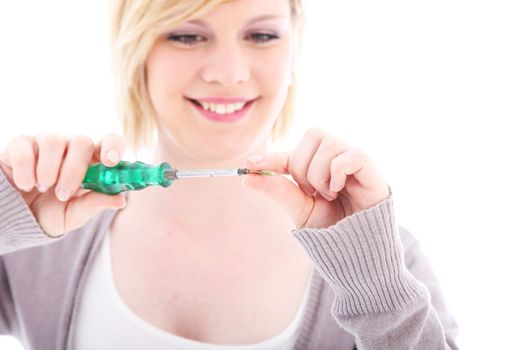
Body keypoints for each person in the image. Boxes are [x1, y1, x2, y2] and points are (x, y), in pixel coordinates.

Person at [0, 0, 459, 349]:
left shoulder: (385, 263)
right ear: (137, 49)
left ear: (294, 50)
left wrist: (375, 288)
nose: (228, 73)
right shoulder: (34, 239)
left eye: (260, 36)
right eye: (186, 36)